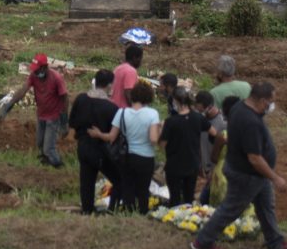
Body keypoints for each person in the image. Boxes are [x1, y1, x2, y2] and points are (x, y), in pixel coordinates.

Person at [190, 83, 287, 249]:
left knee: (266, 207)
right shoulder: (251, 123)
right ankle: (203, 242)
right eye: (271, 101)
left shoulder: (239, 107)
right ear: (263, 101)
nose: (272, 105)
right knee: (230, 209)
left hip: (253, 174)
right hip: (246, 174)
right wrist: (276, 178)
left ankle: (275, 243)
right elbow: (254, 158)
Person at [90, 81, 161, 213]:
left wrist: (98, 134)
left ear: (132, 96)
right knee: (143, 189)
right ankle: (142, 214)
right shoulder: (152, 114)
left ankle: (128, 213)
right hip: (146, 158)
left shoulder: (122, 113)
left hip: (126, 157)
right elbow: (153, 139)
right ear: (149, 97)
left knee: (128, 187)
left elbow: (111, 137)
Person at [2, 53, 69, 167]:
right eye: (35, 70)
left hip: (53, 117)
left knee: (49, 149)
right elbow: (23, 90)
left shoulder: (56, 78)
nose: (36, 72)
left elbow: (65, 98)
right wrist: (9, 105)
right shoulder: (33, 76)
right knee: (39, 143)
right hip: (41, 114)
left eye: (38, 70)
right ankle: (46, 165)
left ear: (44, 67)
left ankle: (59, 167)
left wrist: (64, 121)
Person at [69, 70, 121, 214]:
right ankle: (112, 210)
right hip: (100, 150)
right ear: (110, 85)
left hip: (83, 147)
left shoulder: (81, 99)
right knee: (119, 179)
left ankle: (87, 211)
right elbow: (113, 135)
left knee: (87, 182)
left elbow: (72, 124)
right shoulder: (111, 107)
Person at [160, 88, 206, 206]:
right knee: (188, 197)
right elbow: (214, 132)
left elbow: (162, 144)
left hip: (175, 164)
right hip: (192, 163)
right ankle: (187, 218)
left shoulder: (170, 122)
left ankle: (174, 215)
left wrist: (160, 130)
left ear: (175, 101)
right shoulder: (197, 117)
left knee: (174, 197)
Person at [195, 90, 227, 205]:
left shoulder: (223, 123)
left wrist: (214, 170)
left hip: (218, 169)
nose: (199, 112)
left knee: (207, 200)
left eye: (200, 109)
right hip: (207, 168)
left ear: (209, 107)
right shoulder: (199, 119)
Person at [111, 41, 144, 108]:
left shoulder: (118, 68)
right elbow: (128, 93)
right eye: (140, 58)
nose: (141, 62)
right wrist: (135, 109)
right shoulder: (131, 71)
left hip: (113, 107)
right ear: (135, 58)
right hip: (123, 109)